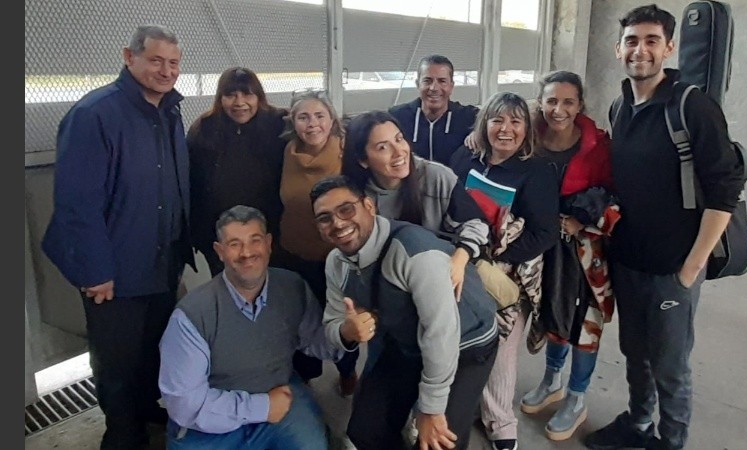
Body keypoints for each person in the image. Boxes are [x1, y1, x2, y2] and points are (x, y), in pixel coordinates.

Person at [583, 5, 743, 450]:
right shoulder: (620, 108)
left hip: (674, 266)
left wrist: (692, 267)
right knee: (636, 354)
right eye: (632, 40)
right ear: (619, 49)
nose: (641, 49)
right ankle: (637, 424)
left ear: (669, 47)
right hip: (629, 260)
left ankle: (671, 441)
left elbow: (725, 190)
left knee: (670, 366)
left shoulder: (691, 106)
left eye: (652, 40)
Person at [40, 24, 194, 449]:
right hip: (115, 274)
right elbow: (76, 202)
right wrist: (95, 271)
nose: (166, 71)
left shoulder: (169, 111)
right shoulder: (96, 114)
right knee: (117, 364)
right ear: (130, 58)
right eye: (156, 60)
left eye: (174, 63)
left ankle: (147, 413)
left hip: (160, 265)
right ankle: (123, 436)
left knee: (153, 351)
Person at [310, 175, 499, 450]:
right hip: (404, 342)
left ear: (369, 206)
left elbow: (441, 334)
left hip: (465, 344)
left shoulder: (416, 253)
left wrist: (431, 408)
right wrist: (346, 331)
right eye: (324, 218)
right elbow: (332, 323)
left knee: (439, 443)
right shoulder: (336, 263)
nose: (337, 223)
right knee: (365, 431)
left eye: (346, 209)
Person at [158, 205, 342, 449]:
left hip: (280, 400)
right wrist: (262, 407)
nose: (247, 253)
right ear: (219, 251)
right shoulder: (192, 315)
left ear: (268, 244)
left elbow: (314, 342)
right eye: (234, 244)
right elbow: (185, 404)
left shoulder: (291, 287)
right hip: (212, 420)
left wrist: (345, 333)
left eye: (255, 241)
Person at [450, 91, 560, 450]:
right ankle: (462, 407)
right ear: (485, 125)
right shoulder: (467, 158)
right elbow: (448, 203)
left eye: (516, 121)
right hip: (466, 262)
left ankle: (500, 422)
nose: (506, 129)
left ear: (527, 129)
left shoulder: (537, 171)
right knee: (459, 341)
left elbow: (544, 233)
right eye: (497, 120)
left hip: (510, 276)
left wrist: (497, 256)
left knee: (500, 351)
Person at [517, 71, 621, 442]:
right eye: (551, 101)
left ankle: (577, 398)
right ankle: (552, 381)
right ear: (540, 102)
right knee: (554, 311)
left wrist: (583, 221)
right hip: (545, 245)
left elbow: (616, 195)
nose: (558, 110)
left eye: (568, 102)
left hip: (586, 249)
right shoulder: (529, 136)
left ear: (580, 105)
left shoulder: (598, 145)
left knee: (586, 321)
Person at [341, 109, 490, 302]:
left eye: (399, 139)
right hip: (388, 283)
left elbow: (476, 224)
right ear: (362, 160)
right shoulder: (354, 195)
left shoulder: (436, 177)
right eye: (383, 148)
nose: (399, 152)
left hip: (440, 269)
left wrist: (459, 261)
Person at [273, 88, 360, 395]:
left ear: (332, 119)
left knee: (339, 319)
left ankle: (347, 371)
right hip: (294, 255)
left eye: (319, 116)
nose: (312, 124)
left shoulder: (346, 152)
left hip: (336, 257)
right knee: (300, 320)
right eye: (303, 117)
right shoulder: (287, 153)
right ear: (292, 122)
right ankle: (307, 374)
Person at [187, 67, 288, 276]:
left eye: (247, 94)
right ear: (220, 98)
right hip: (223, 239)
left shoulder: (279, 125)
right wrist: (203, 238)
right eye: (231, 95)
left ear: (258, 96)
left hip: (274, 237)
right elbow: (193, 186)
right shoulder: (204, 129)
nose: (239, 102)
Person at [388, 54, 479, 166]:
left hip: (455, 182)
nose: (434, 88)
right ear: (418, 84)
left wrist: (480, 131)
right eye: (427, 81)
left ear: (451, 86)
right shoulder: (397, 117)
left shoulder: (470, 117)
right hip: (412, 182)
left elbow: (495, 123)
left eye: (442, 81)